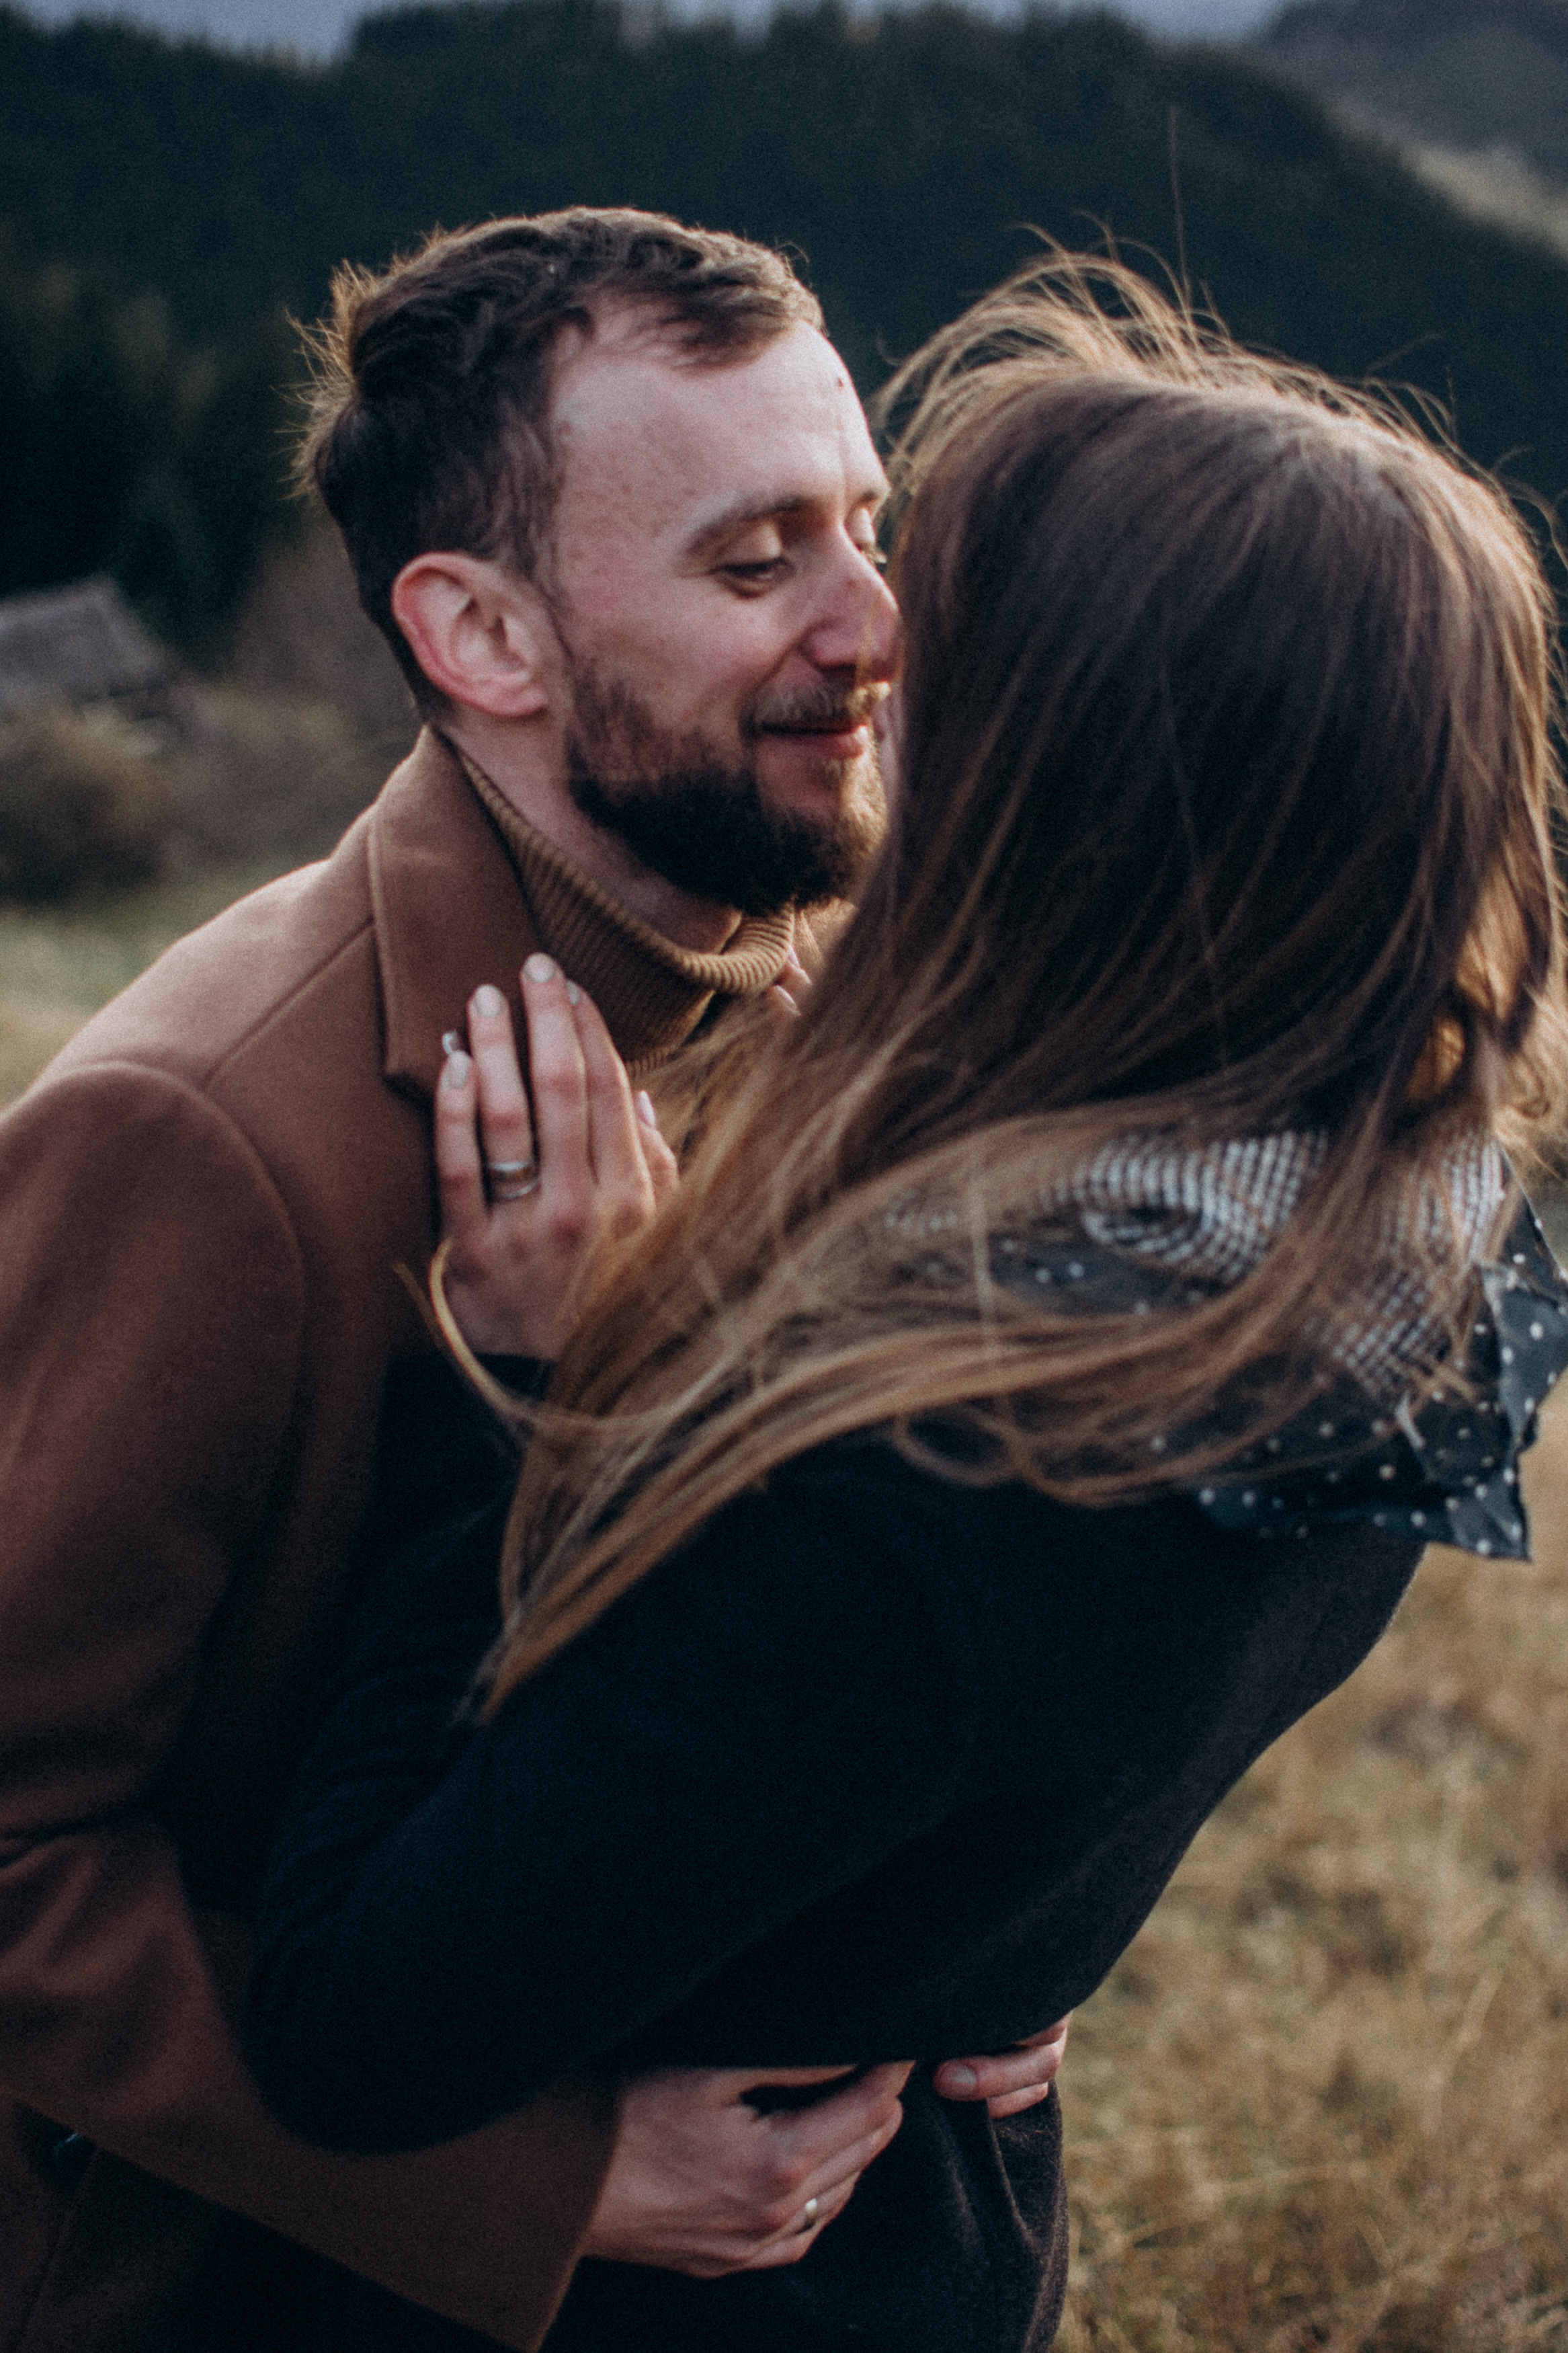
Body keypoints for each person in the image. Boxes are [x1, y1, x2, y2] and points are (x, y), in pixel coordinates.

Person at [245, 256, 1568, 2353]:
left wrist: (533, 1399)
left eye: (929, 635)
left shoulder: (912, 1480)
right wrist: (1003, 1920)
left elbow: (347, 2022)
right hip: (950, 2253)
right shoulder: (1433, 1262)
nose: (862, 654)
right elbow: (1052, 1726)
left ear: (1060, 821)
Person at [0, 208, 1063, 2353]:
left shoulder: (814, 972)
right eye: (756, 563)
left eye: (868, 522)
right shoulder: (204, 1137)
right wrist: (531, 2173)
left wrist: (988, 1923)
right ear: (481, 633)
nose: (879, 621)